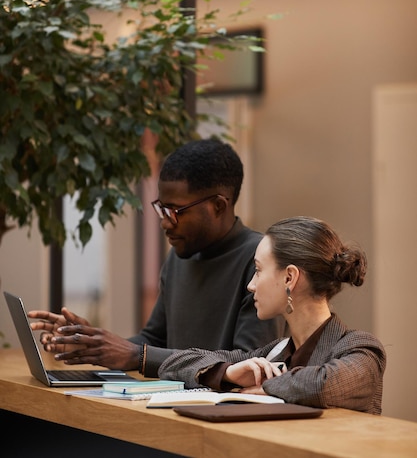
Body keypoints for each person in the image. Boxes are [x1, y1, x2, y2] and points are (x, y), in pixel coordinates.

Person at [29, 138, 282, 377]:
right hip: (171, 404)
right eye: (162, 208)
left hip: (228, 413)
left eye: (175, 211)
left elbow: (252, 363)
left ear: (218, 206)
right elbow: (154, 340)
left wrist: (138, 356)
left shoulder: (261, 260)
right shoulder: (179, 257)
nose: (164, 222)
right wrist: (91, 344)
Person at [158, 216, 386, 415]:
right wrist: (228, 372)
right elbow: (175, 364)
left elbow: (322, 385)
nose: (251, 285)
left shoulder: (362, 350)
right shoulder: (274, 354)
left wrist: (268, 385)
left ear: (289, 278)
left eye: (258, 271)